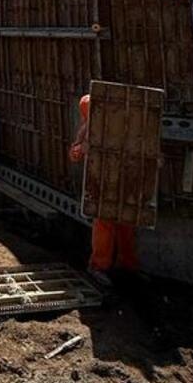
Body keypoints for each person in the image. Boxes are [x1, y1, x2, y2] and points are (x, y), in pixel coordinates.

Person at [69, 94, 137, 287]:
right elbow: (74, 153)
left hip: (123, 181)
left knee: (126, 223)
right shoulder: (88, 129)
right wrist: (82, 149)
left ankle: (127, 265)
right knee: (104, 223)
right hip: (103, 182)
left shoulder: (124, 124)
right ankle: (99, 266)